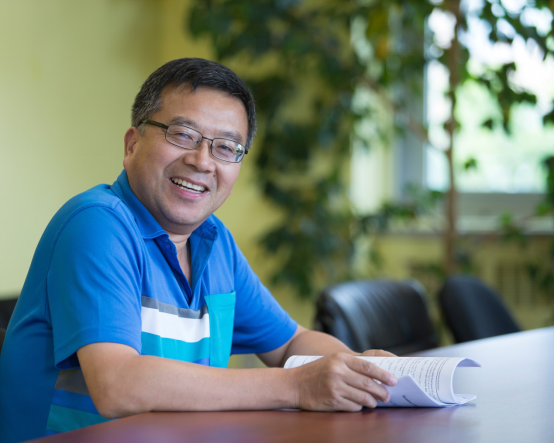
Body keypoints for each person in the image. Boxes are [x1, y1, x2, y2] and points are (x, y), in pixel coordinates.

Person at [0, 58, 397, 442]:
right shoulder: (96, 224)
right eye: (183, 135)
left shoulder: (214, 242)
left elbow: (291, 344)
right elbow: (117, 385)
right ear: (132, 144)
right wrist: (296, 386)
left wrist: (360, 371)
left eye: (226, 147)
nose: (202, 161)